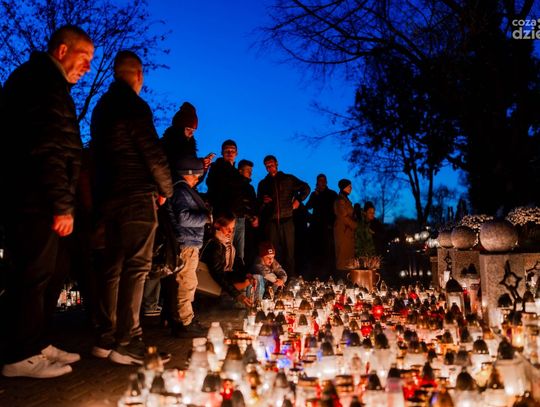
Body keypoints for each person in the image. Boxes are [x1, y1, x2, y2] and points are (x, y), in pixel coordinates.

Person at [0, 25, 94, 378]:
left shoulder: (49, 84)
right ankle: (19, 354)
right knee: (33, 273)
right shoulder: (42, 83)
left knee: (54, 269)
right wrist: (61, 204)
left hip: (37, 194)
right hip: (33, 197)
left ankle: (36, 342)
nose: (87, 67)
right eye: (84, 57)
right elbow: (49, 147)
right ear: (62, 50)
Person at [90, 50, 173, 365]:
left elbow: (98, 155)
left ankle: (106, 336)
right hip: (137, 194)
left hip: (109, 196)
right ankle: (129, 340)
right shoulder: (135, 105)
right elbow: (152, 151)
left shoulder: (101, 108)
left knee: (112, 265)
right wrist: (165, 188)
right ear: (138, 75)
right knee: (137, 266)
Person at [165, 156, 211, 337]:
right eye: (196, 176)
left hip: (188, 242)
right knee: (186, 283)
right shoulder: (181, 191)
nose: (197, 180)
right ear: (188, 173)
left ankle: (182, 319)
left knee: (186, 282)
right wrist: (205, 218)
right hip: (187, 243)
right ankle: (185, 322)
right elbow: (183, 218)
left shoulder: (182, 190)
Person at [257, 155, 310, 276]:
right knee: (272, 254)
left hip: (287, 220)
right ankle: (274, 281)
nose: (269, 167)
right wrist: (263, 201)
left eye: (271, 164)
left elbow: (306, 188)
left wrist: (298, 200)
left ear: (276, 164)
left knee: (289, 253)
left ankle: (290, 279)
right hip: (271, 222)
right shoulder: (263, 184)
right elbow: (258, 202)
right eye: (267, 166)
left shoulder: (288, 179)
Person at [206, 140, 255, 264]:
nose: (230, 153)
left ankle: (235, 271)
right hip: (224, 216)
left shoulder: (234, 171)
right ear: (222, 152)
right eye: (227, 150)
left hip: (237, 216)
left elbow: (239, 196)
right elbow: (218, 188)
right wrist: (242, 180)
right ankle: (223, 271)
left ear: (236, 153)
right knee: (224, 249)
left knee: (237, 252)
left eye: (232, 150)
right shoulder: (217, 168)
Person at [200, 212, 264, 307]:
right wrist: (237, 295)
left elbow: (236, 262)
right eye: (227, 228)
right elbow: (218, 275)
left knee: (252, 278)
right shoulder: (215, 245)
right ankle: (232, 304)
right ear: (217, 225)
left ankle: (249, 305)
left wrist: (247, 274)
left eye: (233, 229)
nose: (230, 232)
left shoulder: (227, 243)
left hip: (224, 278)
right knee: (246, 282)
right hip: (212, 283)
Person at [161, 101, 214, 182]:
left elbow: (194, 182)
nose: (191, 133)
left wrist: (204, 167)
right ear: (179, 128)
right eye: (188, 129)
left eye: (193, 130)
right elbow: (178, 167)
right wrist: (199, 164)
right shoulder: (165, 145)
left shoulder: (190, 149)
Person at [306, 174, 337, 280]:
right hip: (316, 229)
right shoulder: (314, 194)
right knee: (315, 253)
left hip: (327, 228)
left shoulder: (332, 194)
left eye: (324, 180)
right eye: (320, 180)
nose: (322, 182)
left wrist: (331, 224)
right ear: (317, 182)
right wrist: (315, 196)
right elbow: (308, 206)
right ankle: (315, 277)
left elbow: (334, 211)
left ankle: (327, 277)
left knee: (327, 253)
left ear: (326, 182)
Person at [237, 159, 259, 266]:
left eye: (251, 170)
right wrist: (251, 218)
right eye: (248, 170)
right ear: (240, 171)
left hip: (249, 222)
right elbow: (239, 204)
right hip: (241, 221)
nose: (250, 172)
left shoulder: (250, 187)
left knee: (248, 248)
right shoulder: (237, 185)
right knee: (240, 249)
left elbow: (253, 204)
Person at [334, 179, 357, 273]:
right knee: (343, 258)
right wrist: (356, 225)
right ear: (344, 187)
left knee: (347, 258)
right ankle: (342, 277)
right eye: (349, 186)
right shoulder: (340, 201)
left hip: (347, 232)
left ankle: (347, 276)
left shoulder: (345, 200)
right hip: (343, 232)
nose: (351, 188)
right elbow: (344, 217)